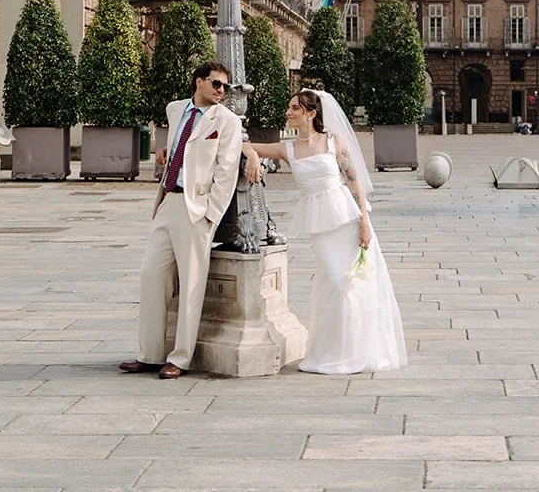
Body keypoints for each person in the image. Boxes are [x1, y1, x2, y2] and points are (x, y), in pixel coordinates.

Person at [243, 88, 406, 375]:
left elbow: (354, 181)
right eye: (289, 107)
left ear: (311, 113)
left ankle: (358, 352)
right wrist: (252, 157)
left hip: (347, 218)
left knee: (352, 284)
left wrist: (364, 224)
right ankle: (332, 352)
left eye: (295, 108)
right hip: (319, 223)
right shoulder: (287, 147)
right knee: (331, 284)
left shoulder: (333, 142)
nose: (289, 112)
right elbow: (244, 145)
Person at [119, 60, 243, 380]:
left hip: (196, 208)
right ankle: (150, 354)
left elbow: (226, 173)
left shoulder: (226, 120)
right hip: (167, 200)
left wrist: (209, 215)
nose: (222, 91)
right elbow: (182, 145)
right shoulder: (175, 109)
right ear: (199, 82)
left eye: (226, 87)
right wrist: (166, 153)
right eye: (217, 84)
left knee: (191, 284)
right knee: (151, 276)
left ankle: (180, 358)